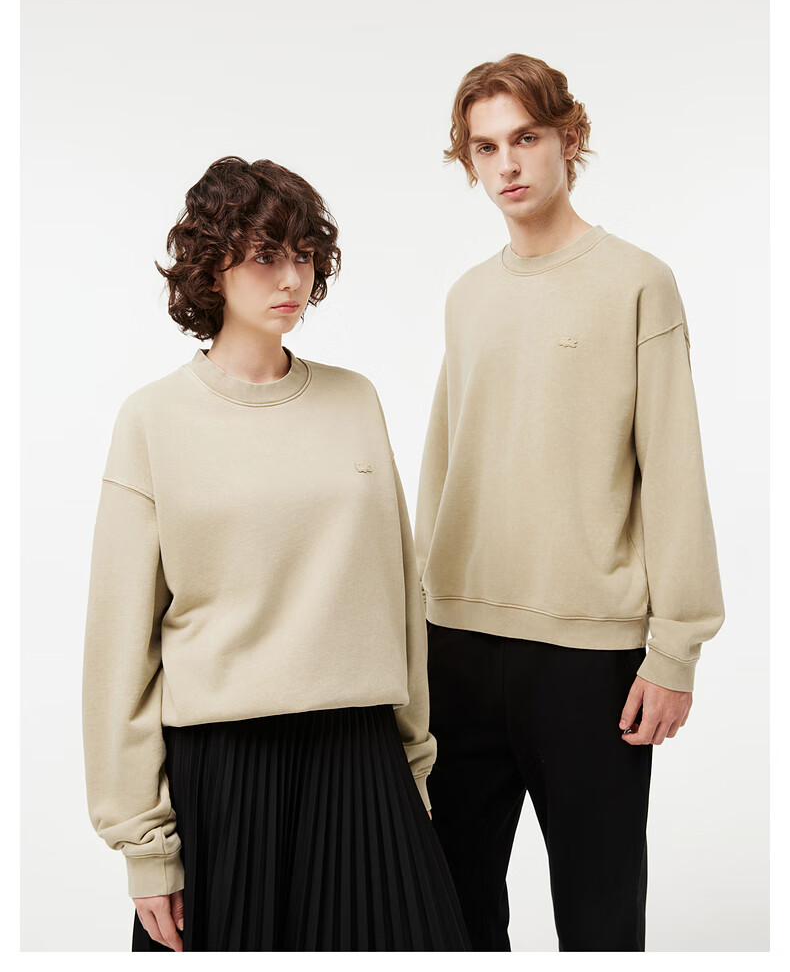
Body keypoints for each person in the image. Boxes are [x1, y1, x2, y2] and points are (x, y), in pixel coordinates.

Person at [82, 155, 470, 953]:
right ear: (211, 268)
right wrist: (145, 846)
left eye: (304, 254)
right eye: (265, 255)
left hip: (362, 755)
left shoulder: (355, 399)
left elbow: (398, 592)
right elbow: (120, 648)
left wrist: (413, 763)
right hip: (225, 768)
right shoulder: (153, 420)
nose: (292, 277)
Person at [414, 54, 725, 952]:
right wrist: (413, 625)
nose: (506, 164)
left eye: (525, 138)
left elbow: (674, 468)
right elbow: (444, 465)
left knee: (599, 920)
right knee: (453, 915)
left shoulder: (637, 282)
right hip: (456, 647)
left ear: (569, 138)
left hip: (589, 658)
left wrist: (676, 649)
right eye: (485, 148)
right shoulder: (468, 297)